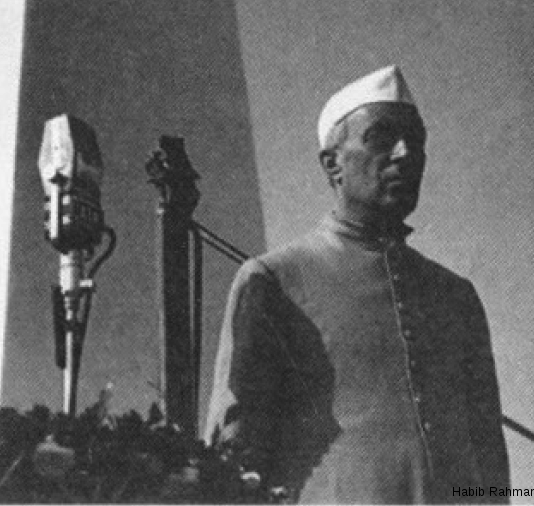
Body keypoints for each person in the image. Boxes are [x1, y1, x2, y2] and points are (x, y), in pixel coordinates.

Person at [206, 65, 510, 504]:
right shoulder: (273, 283)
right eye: (382, 138)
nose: (406, 153)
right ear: (333, 164)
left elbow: (490, 461)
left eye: (417, 140)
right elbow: (233, 459)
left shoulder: (455, 296)